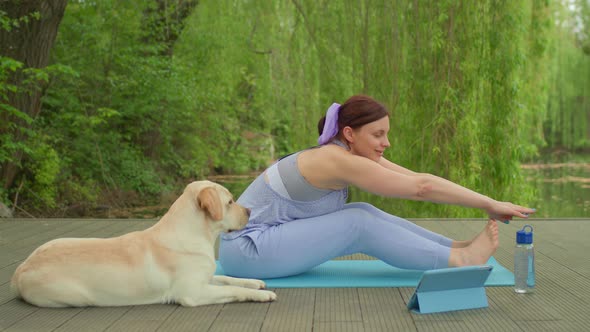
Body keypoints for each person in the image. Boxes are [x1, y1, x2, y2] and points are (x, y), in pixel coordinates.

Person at [219, 95, 535, 279]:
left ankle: (455, 248)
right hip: (247, 250)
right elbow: (421, 189)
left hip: (255, 247)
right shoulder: (336, 159)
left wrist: (490, 201)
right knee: (358, 223)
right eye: (378, 134)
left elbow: (417, 179)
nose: (387, 142)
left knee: (361, 210)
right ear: (349, 133)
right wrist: (489, 205)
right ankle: (459, 262)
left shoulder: (347, 152)